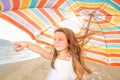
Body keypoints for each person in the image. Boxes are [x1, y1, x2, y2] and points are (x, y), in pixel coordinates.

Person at [13, 27, 92, 80]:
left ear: (69, 43)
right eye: (55, 39)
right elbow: (40, 50)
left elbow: (80, 74)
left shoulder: (74, 60)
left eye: (60, 39)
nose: (56, 42)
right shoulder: (54, 56)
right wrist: (27, 44)